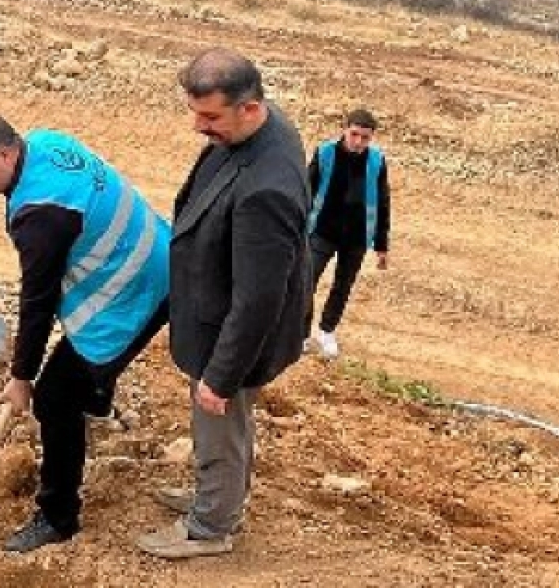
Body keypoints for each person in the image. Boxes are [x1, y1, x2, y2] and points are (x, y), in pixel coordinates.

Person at [0, 112, 169, 553]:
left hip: (132, 290)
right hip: (157, 251)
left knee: (54, 397)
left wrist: (21, 378)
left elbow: (38, 303)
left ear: (6, 153)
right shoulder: (46, 141)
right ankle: (96, 392)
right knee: (82, 374)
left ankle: (57, 517)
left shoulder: (41, 217)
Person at [138, 48, 310, 562]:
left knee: (221, 425)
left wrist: (222, 374)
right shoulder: (256, 129)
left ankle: (211, 526)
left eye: (210, 116)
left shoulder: (267, 190)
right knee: (222, 428)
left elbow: (259, 298)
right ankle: (215, 499)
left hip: (231, 338)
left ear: (250, 108)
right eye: (196, 112)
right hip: (212, 312)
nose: (198, 126)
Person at [306, 109, 392, 359]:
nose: (358, 142)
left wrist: (381, 243)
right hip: (322, 230)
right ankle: (301, 334)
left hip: (357, 236)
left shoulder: (377, 160)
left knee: (343, 286)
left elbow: (383, 200)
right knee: (306, 280)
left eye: (365, 138)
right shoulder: (325, 153)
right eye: (354, 135)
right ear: (344, 130)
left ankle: (327, 332)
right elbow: (306, 190)